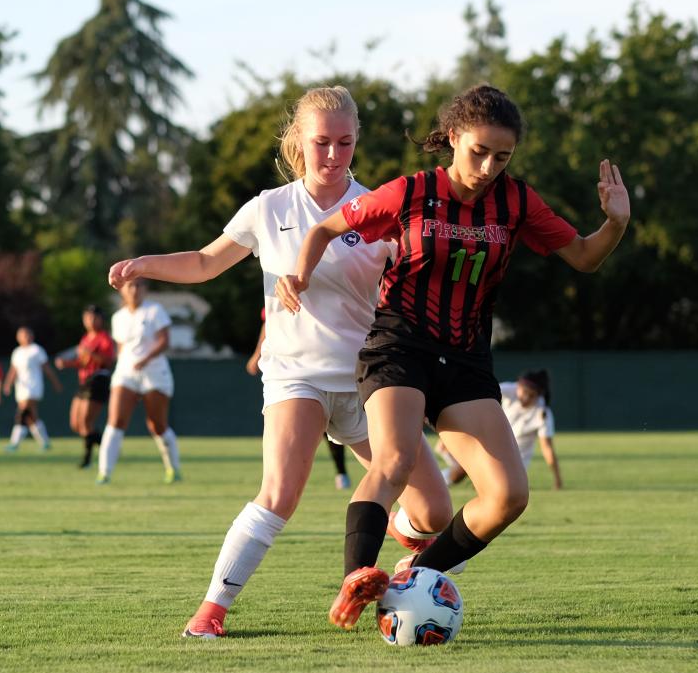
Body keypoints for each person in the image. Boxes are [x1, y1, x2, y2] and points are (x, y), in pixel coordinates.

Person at [278, 83, 631, 628]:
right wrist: (300, 269)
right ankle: (356, 577)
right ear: (453, 138)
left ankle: (419, 571)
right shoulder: (410, 192)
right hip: (398, 345)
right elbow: (327, 227)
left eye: (503, 156)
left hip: (465, 358)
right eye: (479, 151)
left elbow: (584, 257)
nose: (490, 166)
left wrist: (615, 224)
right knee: (393, 460)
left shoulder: (517, 203)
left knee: (510, 495)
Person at [108, 85, 454, 638]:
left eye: (345, 142)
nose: (334, 155)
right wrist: (145, 264)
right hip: (296, 374)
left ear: (357, 140)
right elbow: (203, 263)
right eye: (322, 142)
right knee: (279, 494)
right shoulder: (270, 207)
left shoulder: (380, 208)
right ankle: (209, 614)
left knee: (435, 511)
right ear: (299, 140)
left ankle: (406, 565)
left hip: (370, 380)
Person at [248, 313, 351, 490]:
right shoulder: (277, 290)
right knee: (279, 491)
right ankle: (341, 474)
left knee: (393, 462)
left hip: (343, 363)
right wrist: (257, 353)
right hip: (296, 372)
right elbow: (270, 320)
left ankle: (342, 473)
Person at [99, 278, 181, 484]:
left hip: (155, 373)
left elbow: (164, 341)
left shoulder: (155, 310)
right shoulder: (118, 317)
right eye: (130, 286)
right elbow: (121, 349)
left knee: (157, 425)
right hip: (126, 373)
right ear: (122, 291)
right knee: (115, 421)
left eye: (139, 285)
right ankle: (104, 472)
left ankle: (173, 469)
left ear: (145, 289)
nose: (135, 290)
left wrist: (145, 359)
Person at [439, 370, 562, 490]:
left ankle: (475, 477)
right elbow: (478, 396)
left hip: (514, 466)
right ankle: (439, 482)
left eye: (531, 395)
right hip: (495, 449)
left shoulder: (543, 413)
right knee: (463, 468)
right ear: (518, 385)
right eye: (524, 392)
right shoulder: (508, 389)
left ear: (539, 395)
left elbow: (547, 447)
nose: (525, 397)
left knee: (483, 477)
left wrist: (557, 479)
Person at [56, 305, 117, 469]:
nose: (89, 320)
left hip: (98, 380)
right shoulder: (85, 338)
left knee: (85, 422)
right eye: (87, 317)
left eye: (93, 317)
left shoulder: (104, 338)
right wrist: (67, 363)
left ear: (100, 319)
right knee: (75, 423)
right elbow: (83, 362)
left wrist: (90, 353)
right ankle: (108, 446)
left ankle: (88, 459)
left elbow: (107, 361)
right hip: (84, 381)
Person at [3, 326, 61, 452]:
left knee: (22, 412)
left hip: (33, 387)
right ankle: (45, 442)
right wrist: (8, 384)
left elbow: (47, 368)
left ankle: (14, 442)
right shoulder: (17, 352)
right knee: (31, 417)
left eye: (27, 334)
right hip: (21, 388)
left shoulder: (37, 350)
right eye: (22, 335)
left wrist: (55, 382)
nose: (26, 337)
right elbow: (13, 370)